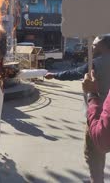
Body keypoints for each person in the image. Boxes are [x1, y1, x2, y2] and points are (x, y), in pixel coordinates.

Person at [45, 35, 110, 183]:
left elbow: (73, 73)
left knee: (94, 157)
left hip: (99, 116)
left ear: (104, 46)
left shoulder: (95, 64)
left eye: (94, 45)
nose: (91, 48)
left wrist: (54, 75)